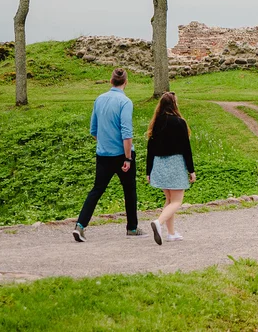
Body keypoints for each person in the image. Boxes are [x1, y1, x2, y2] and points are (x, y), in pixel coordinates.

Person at [73, 68, 138, 242]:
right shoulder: (125, 102)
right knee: (129, 190)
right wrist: (127, 157)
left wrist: (105, 141)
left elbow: (93, 130)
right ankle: (132, 227)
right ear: (126, 82)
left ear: (111, 81)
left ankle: (80, 225)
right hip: (121, 154)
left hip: (103, 154)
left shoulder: (99, 100)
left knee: (96, 190)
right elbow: (126, 132)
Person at [146, 91, 195, 245]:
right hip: (175, 163)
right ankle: (158, 222)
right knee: (177, 201)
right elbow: (186, 148)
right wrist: (191, 170)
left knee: (169, 199)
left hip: (159, 164)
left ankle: (171, 233)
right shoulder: (180, 122)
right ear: (174, 104)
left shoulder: (156, 123)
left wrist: (148, 171)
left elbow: (150, 149)